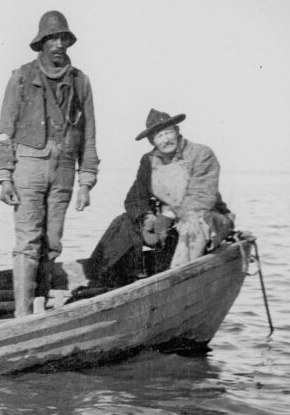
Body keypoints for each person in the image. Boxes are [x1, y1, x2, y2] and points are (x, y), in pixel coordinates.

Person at [0, 11, 99, 316]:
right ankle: (22, 314)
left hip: (64, 170)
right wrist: (5, 176)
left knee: (52, 243)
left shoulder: (81, 81)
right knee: (28, 242)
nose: (57, 44)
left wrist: (86, 181)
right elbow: (4, 130)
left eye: (62, 38)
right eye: (51, 38)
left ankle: (40, 304)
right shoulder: (21, 77)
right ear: (41, 43)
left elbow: (89, 134)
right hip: (27, 166)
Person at [86, 109, 233, 287]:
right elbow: (135, 197)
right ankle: (98, 279)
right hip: (169, 227)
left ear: (177, 131)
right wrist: (147, 217)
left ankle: (179, 284)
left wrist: (169, 216)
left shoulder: (201, 154)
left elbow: (202, 197)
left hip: (208, 220)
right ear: (151, 141)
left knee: (192, 222)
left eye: (169, 132)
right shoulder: (149, 161)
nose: (165, 139)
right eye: (159, 136)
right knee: (124, 222)